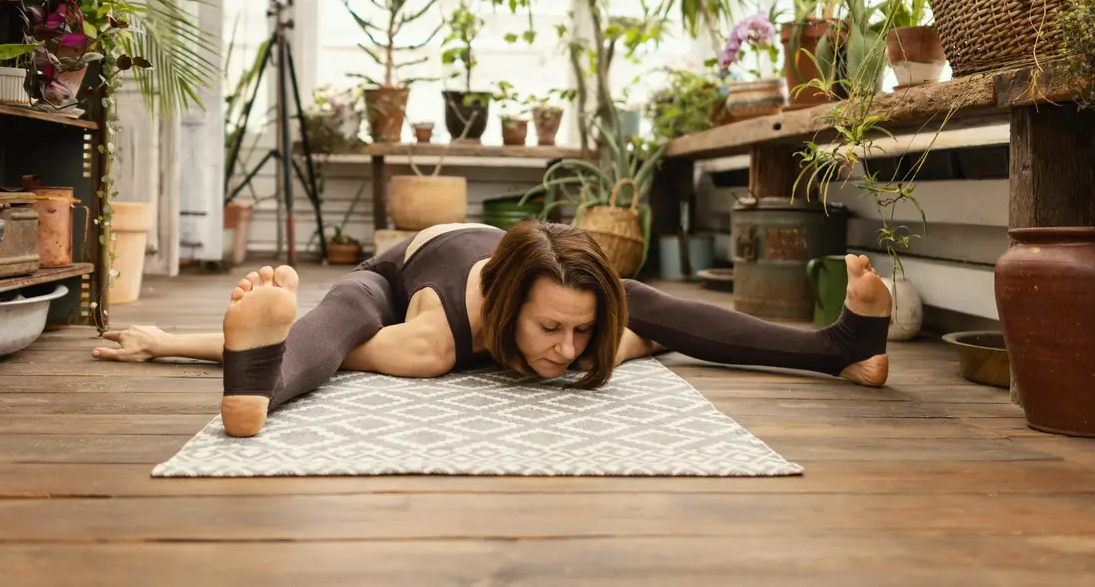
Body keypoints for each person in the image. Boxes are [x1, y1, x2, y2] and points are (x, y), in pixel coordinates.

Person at [93, 220, 892, 438]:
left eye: (580, 335)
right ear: (508, 312)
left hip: (533, 252)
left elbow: (687, 327)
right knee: (344, 327)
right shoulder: (438, 334)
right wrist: (170, 340)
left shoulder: (573, 308)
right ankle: (253, 381)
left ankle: (843, 347)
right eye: (551, 330)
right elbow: (327, 340)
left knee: (660, 317)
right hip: (406, 265)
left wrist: (624, 333)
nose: (567, 352)